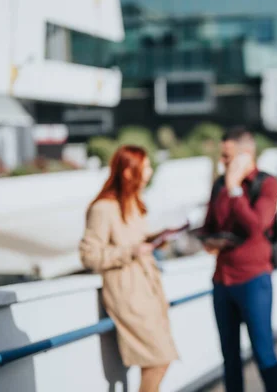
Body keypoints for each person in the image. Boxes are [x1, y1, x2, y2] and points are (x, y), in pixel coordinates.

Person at [79, 145, 178, 392]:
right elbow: (89, 255)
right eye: (145, 168)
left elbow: (135, 239)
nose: (149, 172)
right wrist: (130, 252)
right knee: (159, 360)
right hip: (128, 295)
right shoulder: (103, 208)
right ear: (128, 172)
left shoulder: (133, 203)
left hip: (148, 291)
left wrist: (157, 238)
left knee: (158, 360)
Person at [200, 128, 277, 392]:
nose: (222, 162)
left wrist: (235, 189)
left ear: (245, 155)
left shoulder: (267, 183)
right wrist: (210, 239)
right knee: (229, 358)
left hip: (254, 280)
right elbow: (207, 227)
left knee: (264, 353)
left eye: (227, 157)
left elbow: (256, 226)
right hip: (222, 281)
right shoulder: (219, 185)